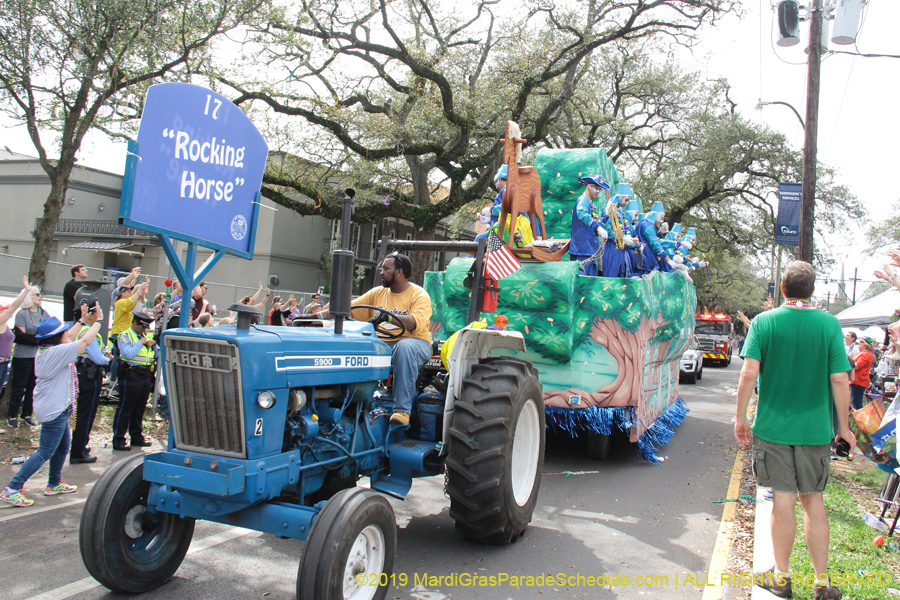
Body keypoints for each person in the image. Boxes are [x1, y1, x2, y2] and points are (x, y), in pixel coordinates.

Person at [735, 261, 854, 600]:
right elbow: (839, 378)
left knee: (783, 499)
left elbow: (748, 374)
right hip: (815, 430)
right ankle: (821, 583)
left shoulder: (763, 322)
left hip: (773, 428)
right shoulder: (829, 324)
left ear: (782, 288)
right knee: (813, 500)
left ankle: (782, 578)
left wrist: (740, 417)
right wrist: (843, 427)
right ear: (812, 290)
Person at [0, 306, 103, 507]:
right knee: (45, 451)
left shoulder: (50, 348)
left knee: (63, 446)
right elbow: (84, 341)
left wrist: (82, 320)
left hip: (57, 407)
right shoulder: (56, 352)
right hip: (53, 409)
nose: (67, 334)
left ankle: (54, 482)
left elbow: (70, 337)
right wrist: (98, 320)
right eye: (63, 332)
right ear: (57, 337)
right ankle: (13, 487)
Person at [319, 253, 432, 425]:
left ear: (399, 272)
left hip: (416, 343)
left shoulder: (418, 295)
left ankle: (402, 410)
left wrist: (387, 317)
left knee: (405, 347)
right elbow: (349, 307)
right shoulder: (377, 293)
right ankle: (348, 404)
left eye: (386, 268)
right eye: (381, 268)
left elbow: (413, 322)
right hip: (382, 345)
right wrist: (318, 315)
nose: (381, 272)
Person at [69, 297, 110, 464]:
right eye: (98, 310)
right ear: (91, 314)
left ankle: (79, 447)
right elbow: (97, 358)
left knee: (83, 413)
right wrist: (109, 359)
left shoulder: (80, 329)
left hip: (83, 373)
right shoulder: (88, 331)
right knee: (87, 414)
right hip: (89, 374)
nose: (101, 313)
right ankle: (79, 451)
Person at [112, 310, 158, 450]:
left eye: (146, 328)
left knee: (139, 408)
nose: (145, 330)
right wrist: (140, 343)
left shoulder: (143, 337)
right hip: (131, 374)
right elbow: (127, 353)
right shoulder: (126, 336)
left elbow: (158, 353)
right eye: (143, 327)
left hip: (144, 376)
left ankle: (136, 436)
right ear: (135, 323)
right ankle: (119, 439)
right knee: (126, 407)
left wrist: (154, 345)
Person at [8, 286, 49, 428]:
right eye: (37, 294)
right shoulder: (22, 314)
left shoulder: (44, 313)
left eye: (40, 294)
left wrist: (38, 339)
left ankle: (26, 414)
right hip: (23, 356)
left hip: (38, 356)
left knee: (33, 386)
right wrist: (39, 339)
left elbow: (50, 332)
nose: (40, 296)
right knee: (19, 387)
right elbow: (20, 336)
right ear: (28, 297)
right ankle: (12, 415)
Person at [569, 175, 609, 277]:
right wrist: (599, 228)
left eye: (599, 189)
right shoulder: (583, 200)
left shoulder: (590, 203)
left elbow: (593, 224)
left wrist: (606, 216)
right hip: (582, 250)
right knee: (581, 282)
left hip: (590, 250)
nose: (598, 191)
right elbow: (582, 214)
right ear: (588, 187)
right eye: (595, 188)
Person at [599, 188, 641, 278]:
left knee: (623, 275)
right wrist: (621, 239)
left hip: (622, 250)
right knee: (612, 276)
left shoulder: (621, 212)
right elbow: (607, 230)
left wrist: (629, 238)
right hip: (612, 249)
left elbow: (627, 229)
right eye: (626, 200)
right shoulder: (608, 210)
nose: (627, 203)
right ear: (620, 198)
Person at [849, 339, 874, 410]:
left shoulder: (866, 354)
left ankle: (860, 419)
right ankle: (858, 418)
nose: (859, 343)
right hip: (856, 380)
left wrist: (848, 359)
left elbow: (857, 366)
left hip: (859, 381)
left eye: (861, 342)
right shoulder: (860, 353)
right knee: (855, 401)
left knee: (857, 402)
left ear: (866, 344)